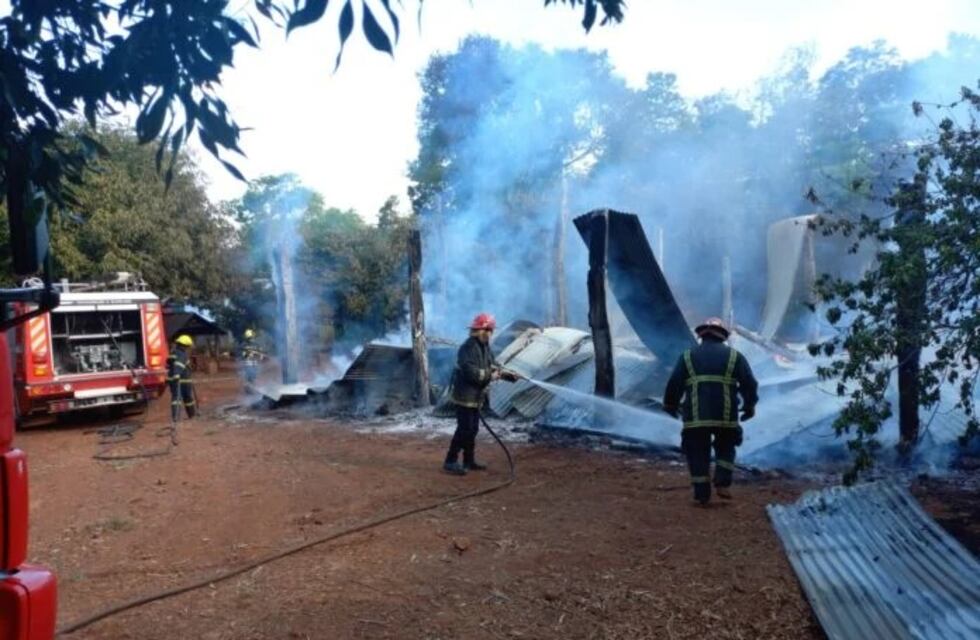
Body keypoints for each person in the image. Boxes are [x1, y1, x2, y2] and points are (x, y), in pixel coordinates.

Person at [663, 318, 758, 505]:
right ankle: (722, 483)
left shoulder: (687, 356)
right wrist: (749, 406)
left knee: (697, 451)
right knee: (726, 448)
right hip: (726, 416)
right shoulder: (734, 356)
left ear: (701, 335)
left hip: (696, 417)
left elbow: (674, 383)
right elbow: (750, 383)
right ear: (723, 336)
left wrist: (670, 405)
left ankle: (702, 493)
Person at [443, 313, 518, 476]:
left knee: (473, 429)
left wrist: (508, 375)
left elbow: (493, 365)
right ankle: (450, 460)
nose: (491, 334)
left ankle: (468, 460)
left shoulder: (484, 347)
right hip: (465, 396)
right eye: (490, 330)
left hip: (476, 397)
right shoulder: (467, 348)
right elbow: (472, 373)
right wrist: (493, 375)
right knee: (464, 429)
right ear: (483, 330)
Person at [167, 334, 197, 421]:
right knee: (184, 398)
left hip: (175, 380)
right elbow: (178, 365)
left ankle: (178, 417)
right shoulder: (181, 354)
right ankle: (188, 415)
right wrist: (177, 374)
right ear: (185, 346)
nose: (189, 348)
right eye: (188, 346)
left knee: (177, 398)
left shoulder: (174, 353)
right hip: (182, 380)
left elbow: (168, 363)